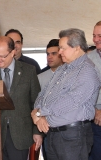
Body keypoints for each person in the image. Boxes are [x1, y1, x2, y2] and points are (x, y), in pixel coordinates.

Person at [31, 28, 100, 160]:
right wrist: (36, 112)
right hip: (53, 135)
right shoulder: (62, 69)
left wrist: (41, 113)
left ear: (76, 48)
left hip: (72, 137)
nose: (60, 52)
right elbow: (44, 92)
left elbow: (72, 100)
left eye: (63, 48)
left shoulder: (87, 71)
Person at [0, 36, 42, 160]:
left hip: (21, 134)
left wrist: (37, 131)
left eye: (2, 56)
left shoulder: (29, 71)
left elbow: (37, 103)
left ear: (13, 52)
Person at [88, 21, 101, 160]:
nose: (96, 39)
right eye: (94, 35)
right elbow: (83, 90)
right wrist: (96, 111)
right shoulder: (87, 60)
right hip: (95, 120)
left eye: (100, 35)